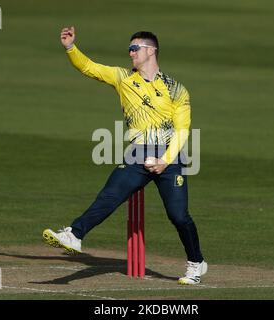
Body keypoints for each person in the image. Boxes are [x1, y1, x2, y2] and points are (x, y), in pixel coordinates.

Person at [43, 26, 207, 285]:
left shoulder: (176, 90)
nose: (130, 53)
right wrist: (70, 48)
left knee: (178, 216)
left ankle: (196, 263)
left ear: (150, 51)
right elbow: (89, 67)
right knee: (110, 195)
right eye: (129, 49)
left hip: (170, 158)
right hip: (138, 154)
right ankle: (74, 234)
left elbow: (182, 128)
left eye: (135, 48)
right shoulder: (123, 78)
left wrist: (165, 160)